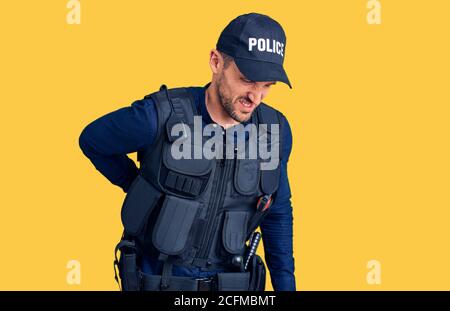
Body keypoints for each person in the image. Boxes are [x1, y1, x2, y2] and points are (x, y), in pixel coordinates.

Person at [79, 12, 296, 291]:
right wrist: (138, 186)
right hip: (158, 282)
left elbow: (277, 212)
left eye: (267, 86)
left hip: (232, 287)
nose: (256, 97)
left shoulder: (274, 129)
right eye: (247, 80)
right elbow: (93, 141)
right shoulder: (160, 116)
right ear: (216, 62)